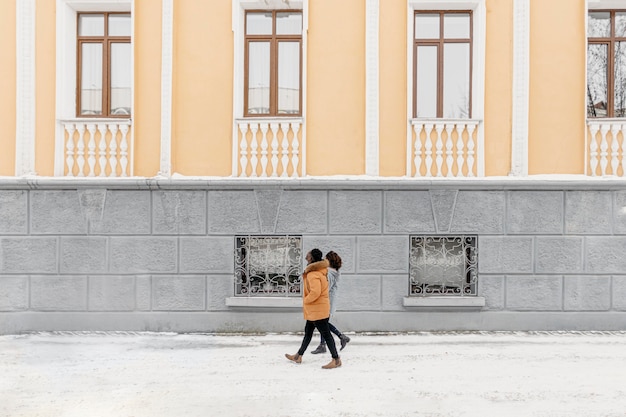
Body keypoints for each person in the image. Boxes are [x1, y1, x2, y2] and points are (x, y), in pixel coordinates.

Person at [285, 248, 342, 369]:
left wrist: (305, 301)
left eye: (308, 255)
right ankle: (298, 356)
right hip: (317, 309)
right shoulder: (320, 271)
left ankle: (336, 359)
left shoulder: (313, 274)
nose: (306, 256)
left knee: (326, 334)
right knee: (308, 333)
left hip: (317, 310)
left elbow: (315, 293)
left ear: (311, 258)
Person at [310, 250, 350, 354]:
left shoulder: (329, 274)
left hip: (326, 302)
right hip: (329, 301)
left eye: (326, 259)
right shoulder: (334, 272)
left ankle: (340, 337)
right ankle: (323, 344)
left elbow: (325, 289)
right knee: (323, 323)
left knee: (322, 323)